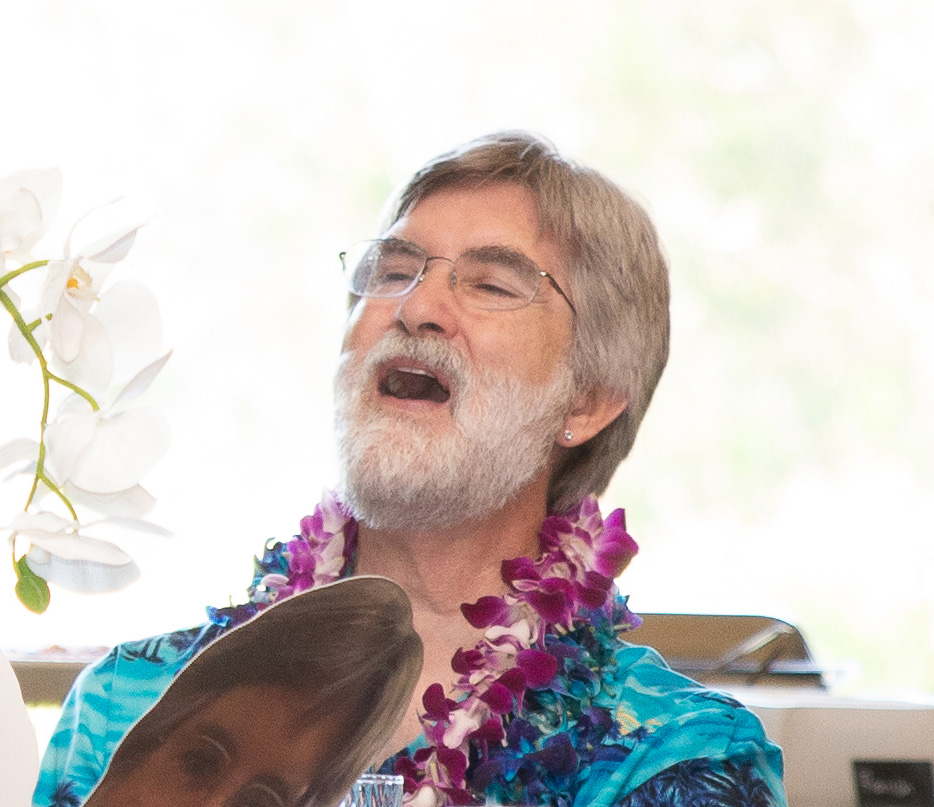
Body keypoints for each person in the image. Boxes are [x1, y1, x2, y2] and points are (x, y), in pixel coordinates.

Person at [35, 131, 787, 807]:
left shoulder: (671, 757)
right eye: (391, 270)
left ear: (587, 400)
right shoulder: (126, 706)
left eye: (492, 284)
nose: (417, 304)